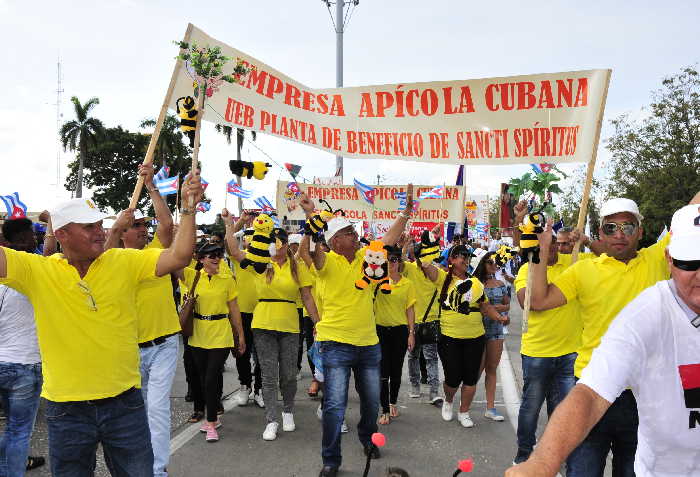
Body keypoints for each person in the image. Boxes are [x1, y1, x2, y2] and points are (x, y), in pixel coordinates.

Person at [0, 173, 203, 475]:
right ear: (63, 234)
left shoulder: (124, 261)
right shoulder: (37, 271)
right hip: (66, 409)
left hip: (125, 404)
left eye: (99, 225)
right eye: (88, 227)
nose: (99, 232)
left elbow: (180, 256)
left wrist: (188, 208)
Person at [506, 203, 700, 477]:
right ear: (600, 232)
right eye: (611, 227)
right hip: (592, 390)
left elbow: (692, 211)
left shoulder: (658, 258)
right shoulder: (583, 269)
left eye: (628, 227)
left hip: (644, 398)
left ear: (640, 231)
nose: (619, 234)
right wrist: (538, 251)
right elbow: (537, 300)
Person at [298, 187, 414, 477]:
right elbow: (311, 250)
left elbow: (387, 238)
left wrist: (406, 212)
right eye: (349, 232)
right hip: (336, 344)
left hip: (368, 344)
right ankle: (331, 460)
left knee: (372, 401)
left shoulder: (366, 256)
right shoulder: (327, 262)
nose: (354, 234)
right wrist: (311, 214)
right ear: (335, 241)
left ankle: (367, 438)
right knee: (334, 406)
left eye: (353, 231)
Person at [107, 164, 178, 477]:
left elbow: (167, 225)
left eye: (142, 225)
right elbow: (98, 261)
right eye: (135, 226)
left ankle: (158, 470)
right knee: (134, 413)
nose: (142, 229)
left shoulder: (155, 251)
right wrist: (113, 229)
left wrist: (150, 187)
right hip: (130, 350)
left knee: (158, 408)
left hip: (164, 343)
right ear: (122, 232)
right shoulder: (111, 260)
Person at [511, 229, 583, 466]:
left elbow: (605, 260)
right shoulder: (527, 268)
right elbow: (526, 302)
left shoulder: (574, 262)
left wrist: (585, 241)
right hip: (537, 353)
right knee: (531, 408)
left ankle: (558, 455)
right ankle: (523, 455)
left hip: (570, 353)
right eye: (545, 244)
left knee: (563, 412)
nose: (552, 247)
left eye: (554, 243)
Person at [246, 227, 320, 441]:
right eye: (273, 241)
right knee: (268, 376)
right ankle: (271, 420)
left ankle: (287, 411)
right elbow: (236, 251)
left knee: (288, 374)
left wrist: (317, 322)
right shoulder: (260, 265)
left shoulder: (297, 267)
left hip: (289, 326)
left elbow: (307, 297)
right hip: (263, 325)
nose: (277, 245)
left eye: (281, 241)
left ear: (287, 244)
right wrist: (231, 224)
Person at [421, 245, 505, 428]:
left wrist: (499, 317)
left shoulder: (475, 282)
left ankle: (464, 411)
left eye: (467, 257)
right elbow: (426, 265)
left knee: (470, 378)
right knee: (452, 378)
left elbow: (485, 306)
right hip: (449, 337)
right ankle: (449, 400)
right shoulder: (443, 278)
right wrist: (429, 247)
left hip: (475, 337)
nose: (465, 260)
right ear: (451, 260)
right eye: (460, 256)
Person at [178, 241, 245, 443]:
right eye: (210, 255)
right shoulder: (192, 276)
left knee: (211, 377)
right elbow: (175, 260)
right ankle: (211, 414)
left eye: (218, 254)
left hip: (221, 333)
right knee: (202, 377)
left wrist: (240, 335)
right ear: (200, 259)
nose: (216, 257)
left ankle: (211, 422)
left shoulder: (227, 280)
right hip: (198, 334)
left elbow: (234, 310)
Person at [0, 217, 45, 475]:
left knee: (11, 428)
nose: (34, 237)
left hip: (3, 361)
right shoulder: (34, 269)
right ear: (20, 240)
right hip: (25, 365)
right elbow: (49, 254)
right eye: (30, 234)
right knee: (19, 431)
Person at [223, 211, 264, 408]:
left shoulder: (268, 260)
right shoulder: (242, 258)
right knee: (242, 351)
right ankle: (245, 386)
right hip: (242, 313)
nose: (251, 241)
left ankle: (259, 389)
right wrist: (237, 222)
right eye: (248, 239)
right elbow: (229, 243)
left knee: (263, 354)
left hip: (264, 313)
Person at [375, 245, 416, 425]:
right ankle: (384, 408)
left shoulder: (407, 284)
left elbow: (410, 309)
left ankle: (393, 402)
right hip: (380, 330)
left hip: (400, 331)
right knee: (383, 371)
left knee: (396, 370)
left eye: (393, 260)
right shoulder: (377, 282)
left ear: (399, 262)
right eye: (387, 260)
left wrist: (411, 333)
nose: (390, 263)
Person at [403, 229, 442, 404]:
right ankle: (421, 388)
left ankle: (429, 390)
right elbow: (399, 262)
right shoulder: (412, 269)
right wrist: (404, 246)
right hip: (416, 321)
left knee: (426, 357)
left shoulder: (435, 270)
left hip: (429, 321)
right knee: (418, 356)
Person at [472, 250, 510, 423]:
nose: (493, 265)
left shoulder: (501, 284)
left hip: (496, 330)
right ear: (483, 263)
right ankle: (464, 403)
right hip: (477, 330)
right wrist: (496, 309)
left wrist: (492, 310)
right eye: (490, 262)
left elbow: (506, 305)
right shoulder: (475, 283)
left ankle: (490, 407)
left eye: (496, 262)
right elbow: (478, 308)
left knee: (492, 369)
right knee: (476, 369)